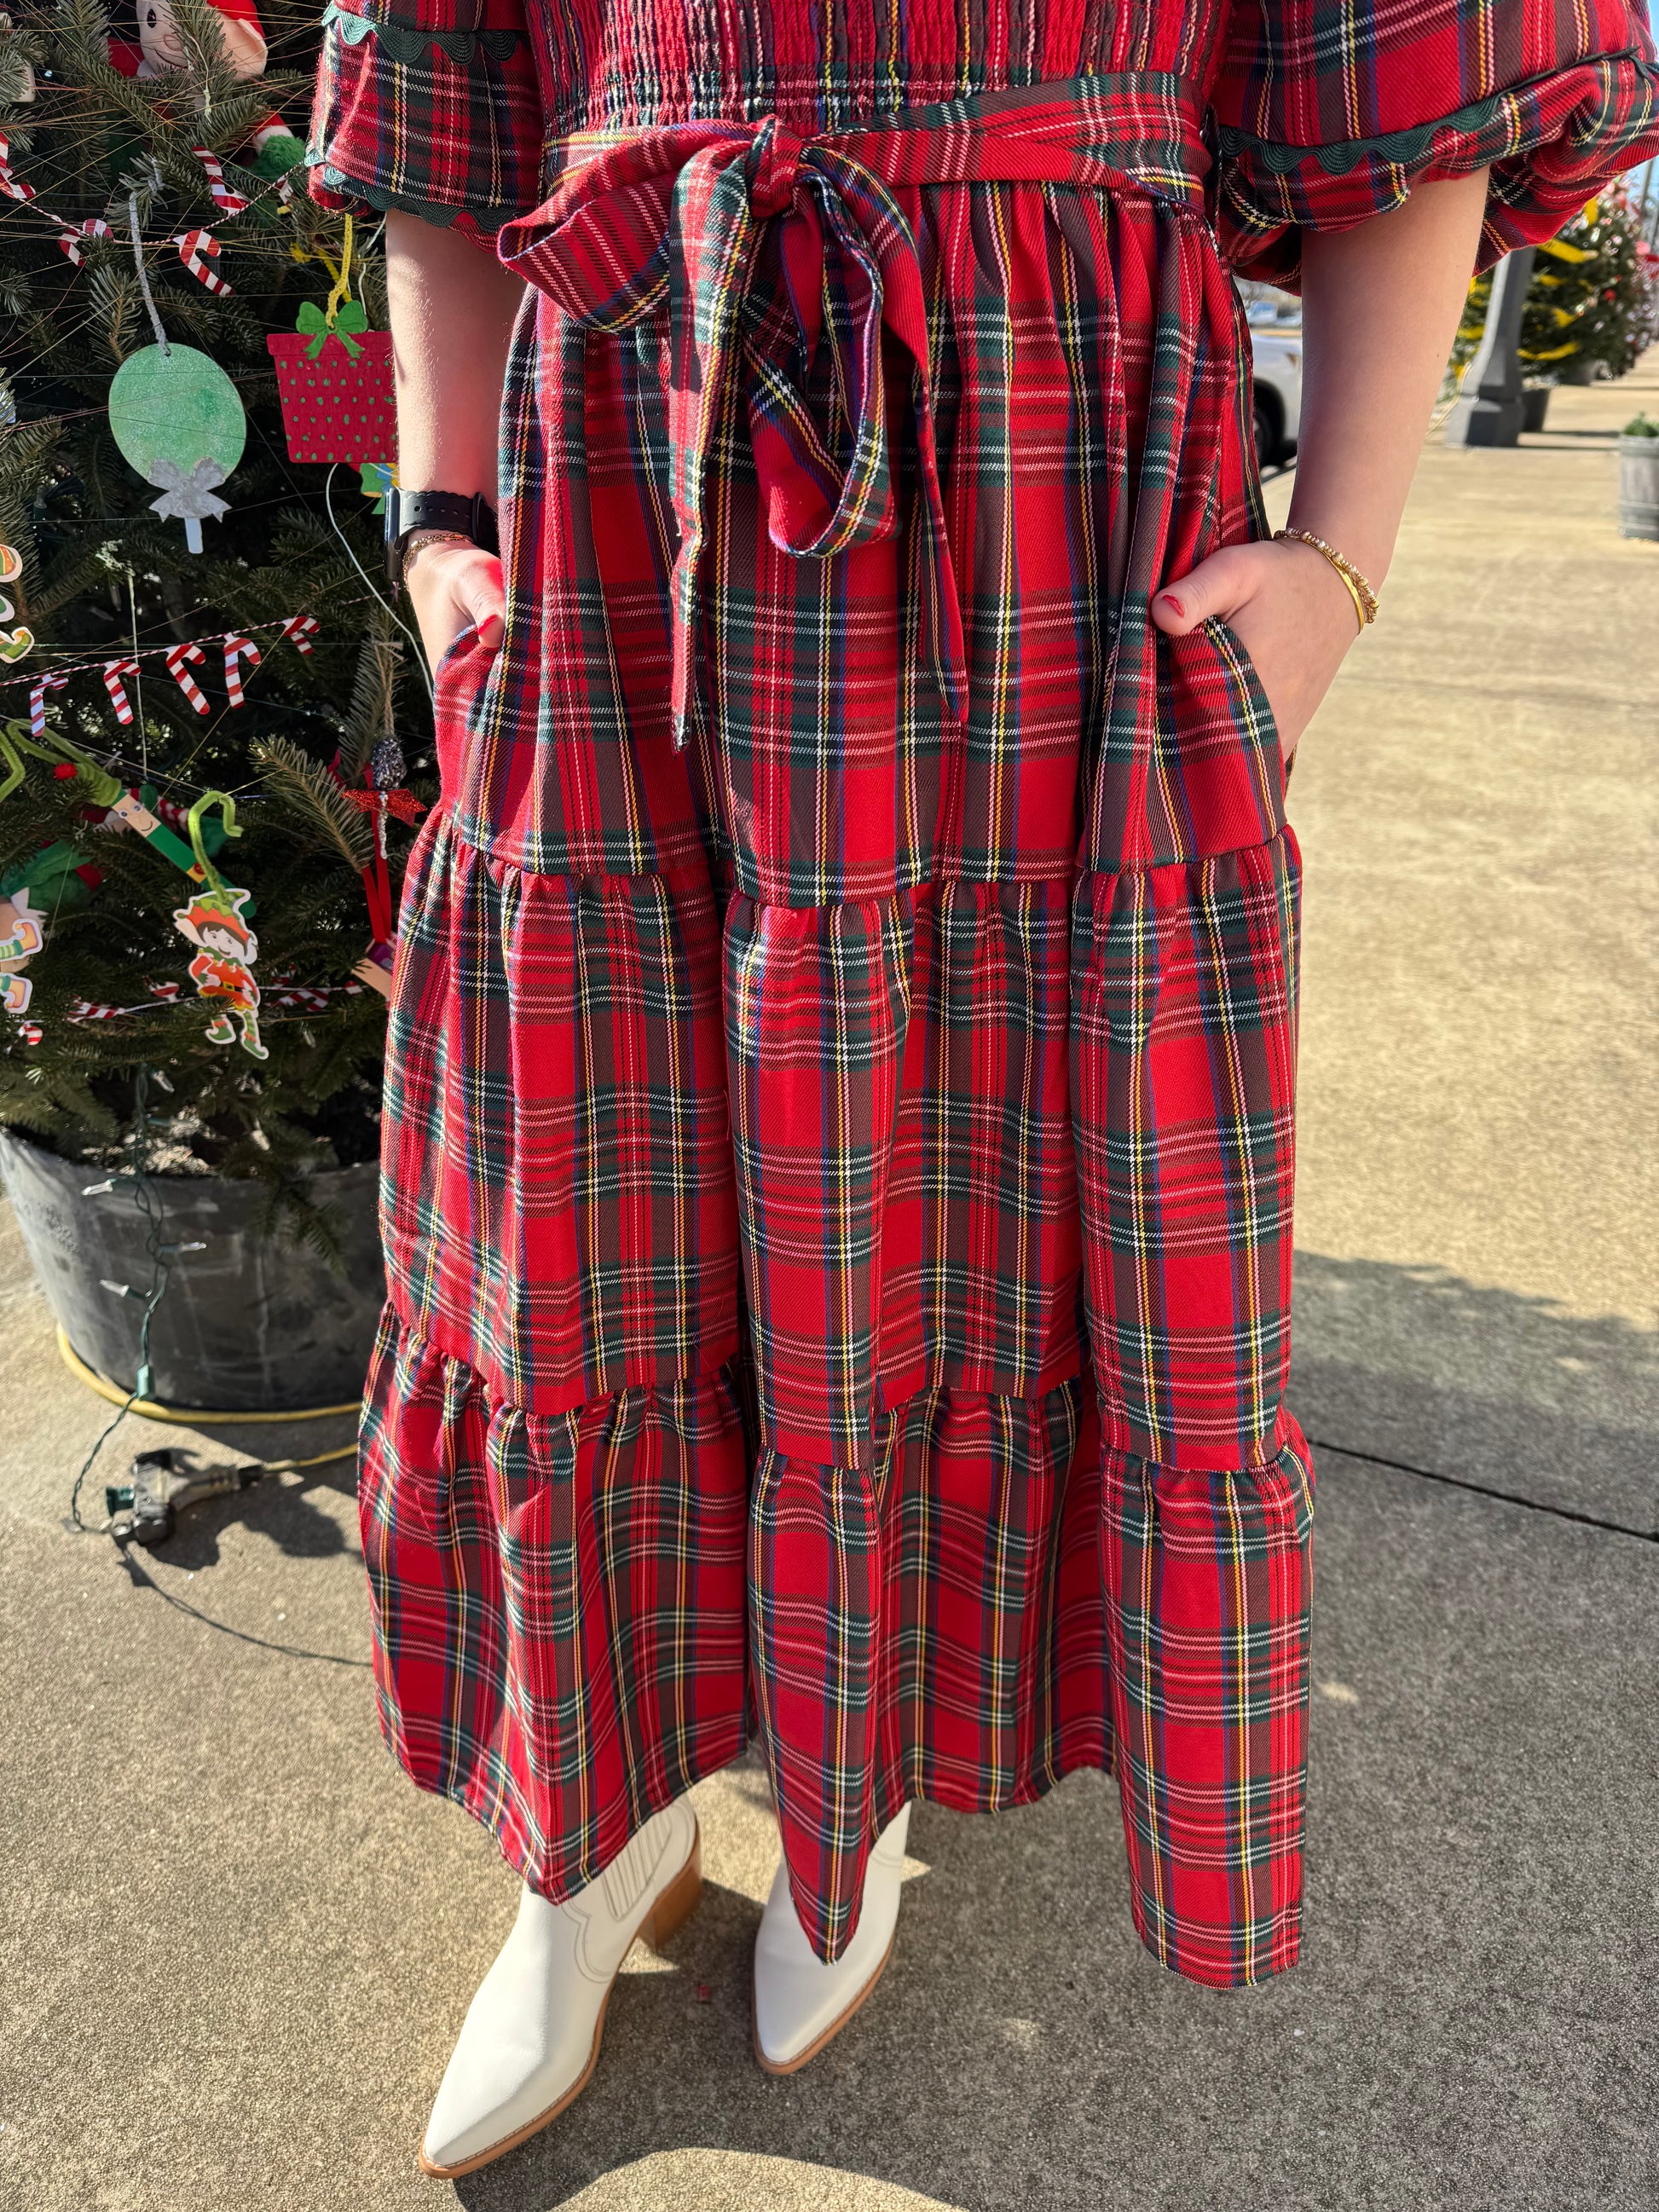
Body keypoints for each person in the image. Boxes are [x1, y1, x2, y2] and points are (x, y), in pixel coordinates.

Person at [308, 0, 1658, 2178]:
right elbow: (447, 129)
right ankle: (592, 1820)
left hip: (1053, 506)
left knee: (948, 1204)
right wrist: (445, 523)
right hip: (618, 494)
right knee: (586, 1197)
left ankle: (844, 1801)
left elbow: (1412, 88)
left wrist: (1338, 561)